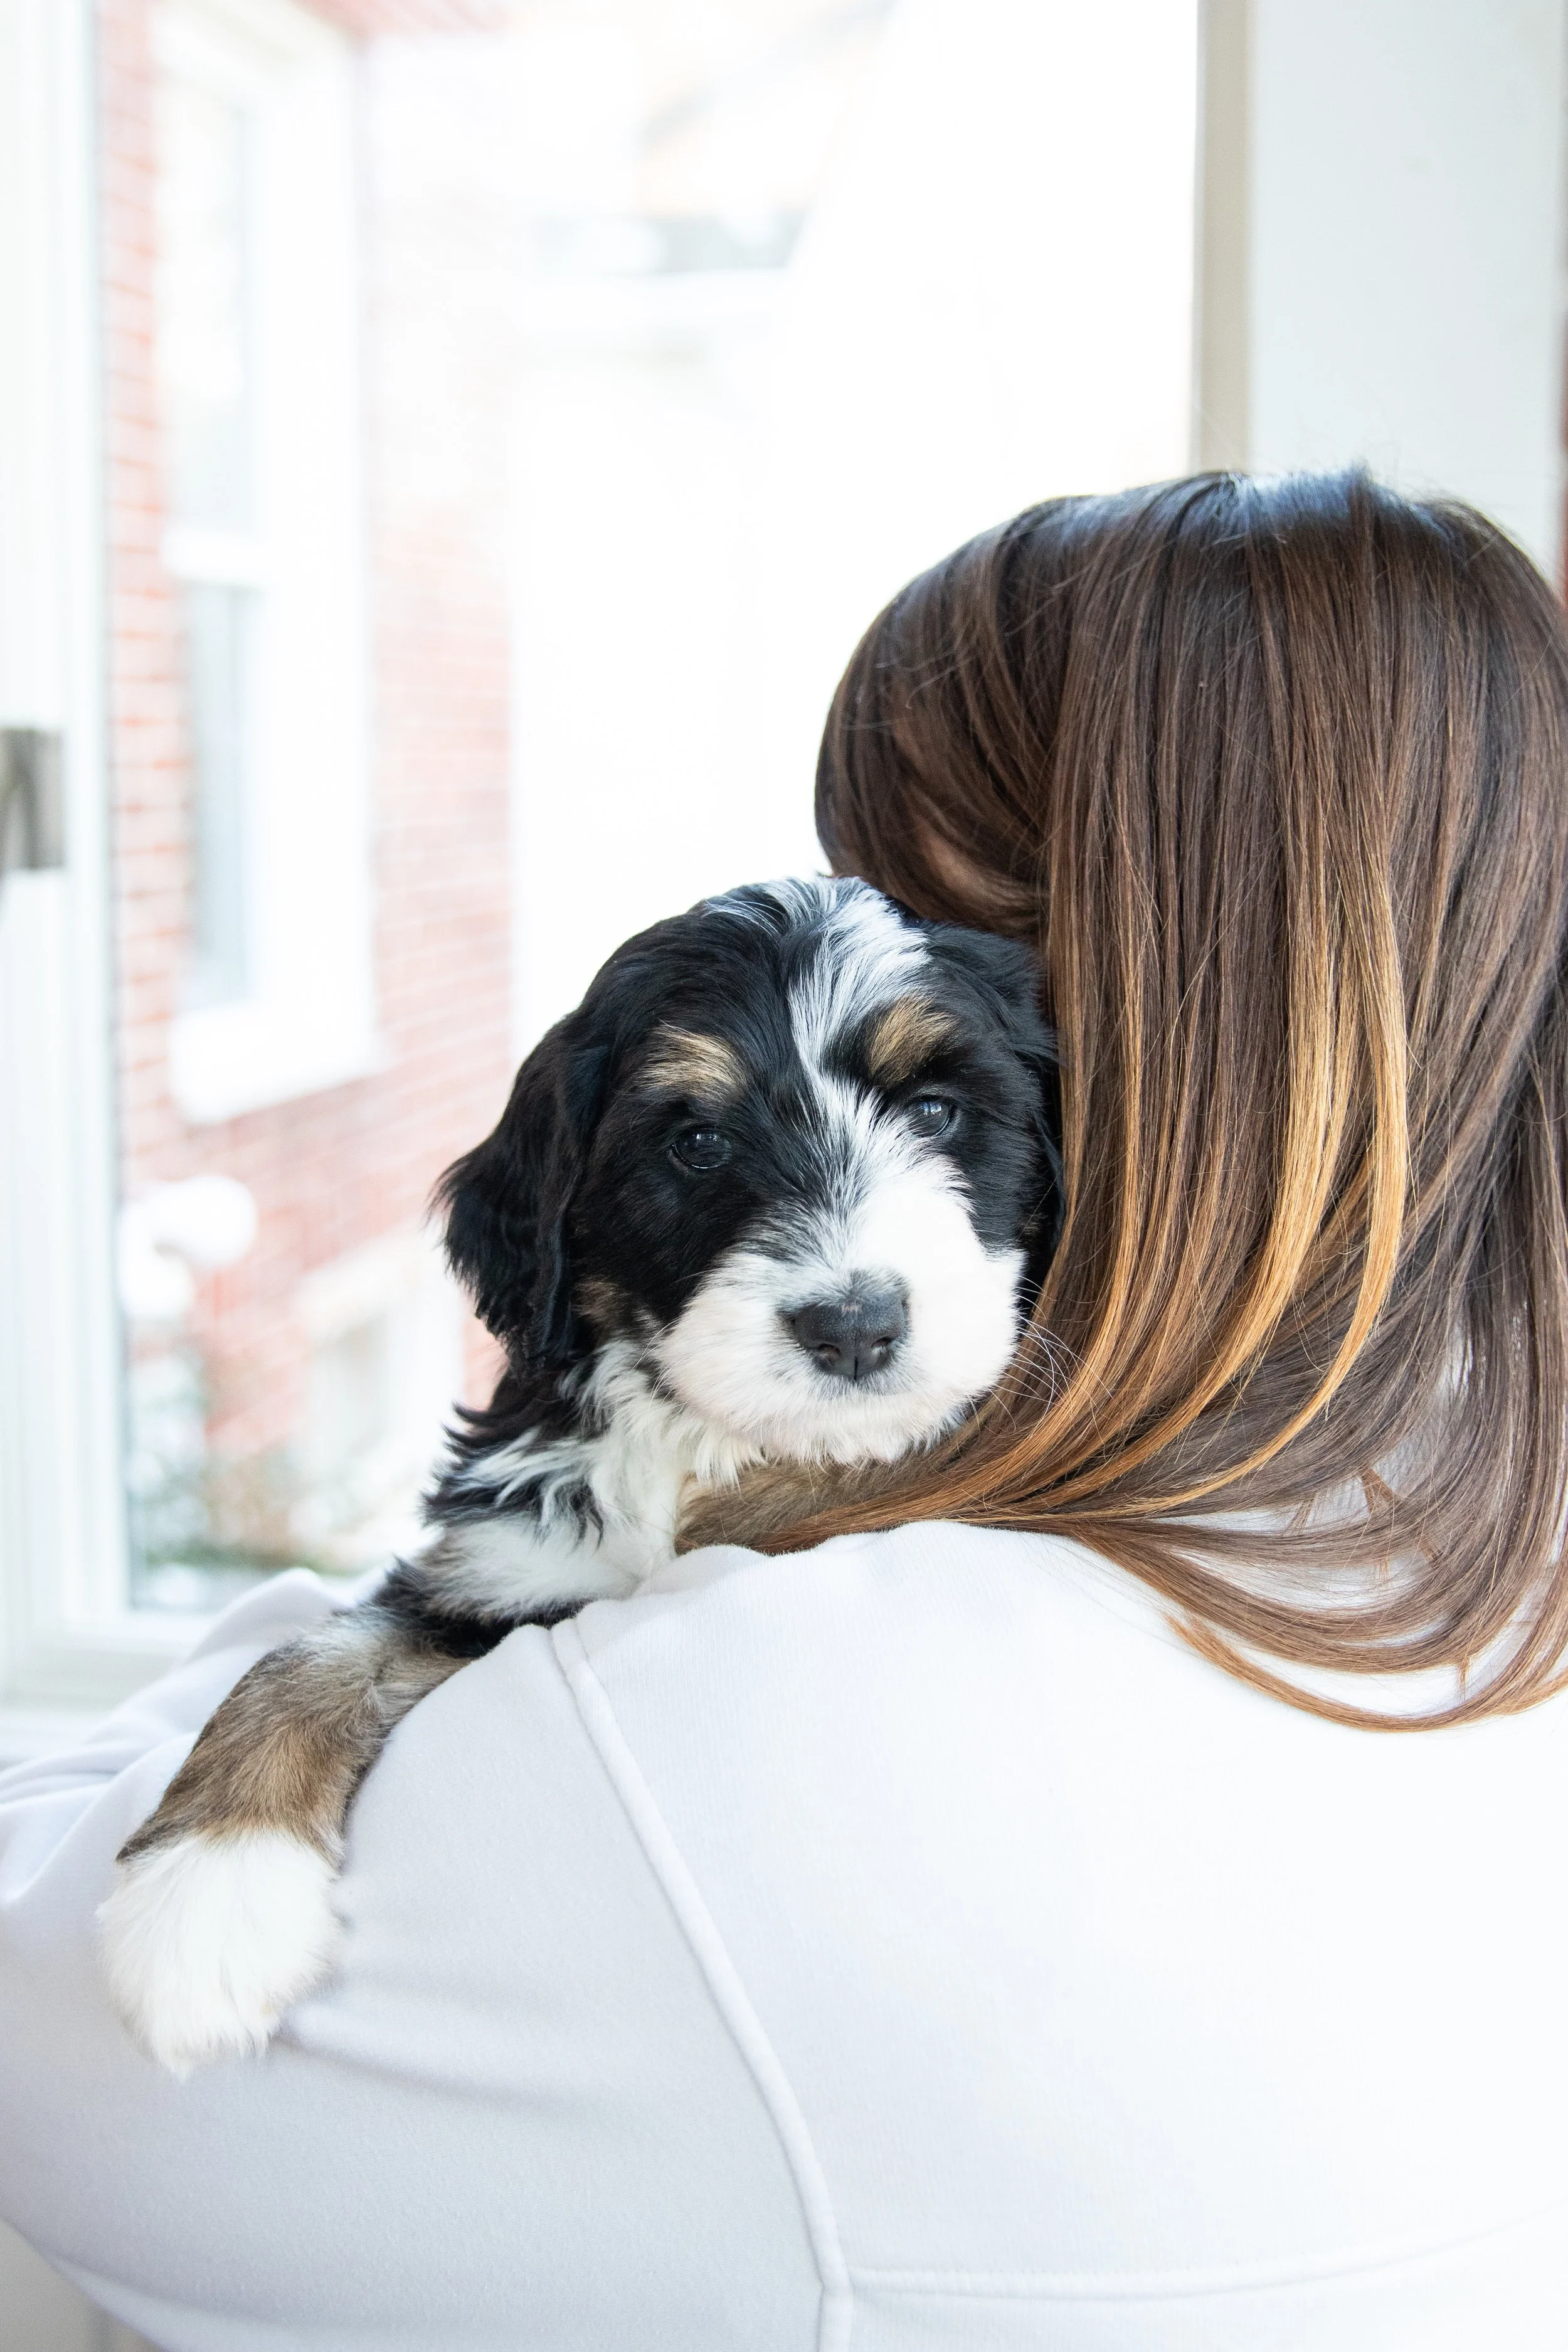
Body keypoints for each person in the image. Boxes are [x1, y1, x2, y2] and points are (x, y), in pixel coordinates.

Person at [2, 470, 1565, 2349]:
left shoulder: (744, 1726)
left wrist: (308, 1660)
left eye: (909, 893)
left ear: (1134, 993)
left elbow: (60, 2062)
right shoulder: (1474, 1516)